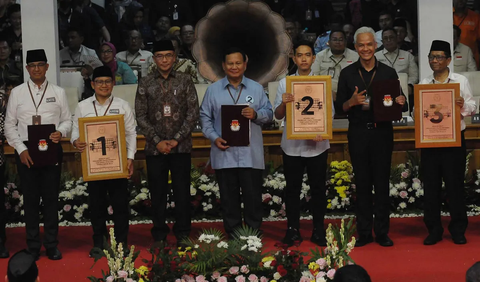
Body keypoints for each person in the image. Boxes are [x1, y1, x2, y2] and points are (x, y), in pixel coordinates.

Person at [335, 27, 406, 247]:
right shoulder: (347, 73)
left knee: (382, 183)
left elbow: (400, 103)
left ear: (376, 46)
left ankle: (382, 232)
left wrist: (402, 101)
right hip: (357, 133)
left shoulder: (388, 72)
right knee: (363, 184)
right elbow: (339, 108)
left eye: (369, 44)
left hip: (382, 132)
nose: (365, 48)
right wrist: (351, 102)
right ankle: (364, 232)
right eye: (361, 45)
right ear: (355, 48)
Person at [4, 49, 72, 260]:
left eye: (40, 65)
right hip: (26, 151)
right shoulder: (17, 93)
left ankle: (51, 244)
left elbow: (68, 120)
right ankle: (33, 245)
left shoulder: (58, 92)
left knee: (51, 199)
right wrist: (21, 150)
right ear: (26, 69)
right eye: (32, 66)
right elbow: (9, 125)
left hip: (51, 148)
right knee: (31, 200)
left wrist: (60, 132)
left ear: (47, 67)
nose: (36, 69)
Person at [200, 47, 273, 238]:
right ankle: (232, 235)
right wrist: (215, 138)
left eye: (238, 63)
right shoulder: (213, 90)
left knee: (253, 198)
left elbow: (270, 114)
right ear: (223, 66)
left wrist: (256, 114)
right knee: (228, 199)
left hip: (250, 154)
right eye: (230, 63)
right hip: (224, 153)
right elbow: (204, 118)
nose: (234, 67)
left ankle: (252, 235)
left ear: (245, 65)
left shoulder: (257, 88)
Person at [135, 40, 199, 247]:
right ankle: (160, 234)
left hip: (181, 146)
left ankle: (182, 233)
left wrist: (176, 139)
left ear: (175, 57)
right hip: (155, 149)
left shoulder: (185, 80)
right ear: (154, 59)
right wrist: (158, 141)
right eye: (160, 56)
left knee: (182, 191)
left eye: (168, 55)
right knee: (158, 192)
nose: (164, 60)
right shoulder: (145, 82)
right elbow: (141, 116)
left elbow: (193, 113)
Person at [71, 66, 136, 256]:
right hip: (94, 165)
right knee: (97, 206)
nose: (104, 85)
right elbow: (75, 130)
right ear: (92, 84)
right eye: (99, 82)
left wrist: (130, 158)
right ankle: (99, 242)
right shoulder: (83, 106)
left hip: (118, 164)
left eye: (108, 81)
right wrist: (76, 141)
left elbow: (131, 133)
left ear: (113, 83)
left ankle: (121, 243)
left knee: (120, 205)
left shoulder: (123, 105)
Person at [274, 40, 331, 247]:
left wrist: (321, 131)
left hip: (317, 145)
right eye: (300, 55)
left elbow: (329, 114)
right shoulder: (285, 82)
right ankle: (292, 230)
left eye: (308, 55)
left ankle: (318, 229)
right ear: (294, 58)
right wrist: (284, 102)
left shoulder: (323, 82)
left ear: (314, 58)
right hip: (292, 146)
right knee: (292, 189)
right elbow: (278, 116)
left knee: (317, 189)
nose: (304, 58)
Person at [420, 40, 476, 246]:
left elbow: (473, 106)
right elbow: (420, 113)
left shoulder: (460, 80)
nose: (435, 61)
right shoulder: (424, 83)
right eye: (432, 57)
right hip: (430, 142)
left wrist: (462, 104)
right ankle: (434, 230)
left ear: (449, 60)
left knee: (455, 187)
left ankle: (458, 229)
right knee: (431, 188)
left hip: (454, 141)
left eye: (439, 57)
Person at [375, 28, 418, 112]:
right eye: (385, 38)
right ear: (382, 41)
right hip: (382, 93)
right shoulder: (375, 57)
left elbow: (414, 75)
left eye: (391, 37)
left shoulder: (407, 56)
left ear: (396, 38)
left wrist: (409, 86)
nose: (388, 40)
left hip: (404, 91)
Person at [312, 29, 359, 100]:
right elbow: (314, 78)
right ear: (329, 42)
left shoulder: (355, 56)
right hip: (324, 96)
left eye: (340, 40)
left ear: (345, 42)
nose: (337, 42)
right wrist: (326, 92)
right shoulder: (320, 56)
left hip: (349, 96)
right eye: (334, 39)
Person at [454, 0, 480, 67]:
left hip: (471, 60)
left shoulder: (476, 17)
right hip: (451, 58)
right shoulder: (445, 15)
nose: (460, 0)